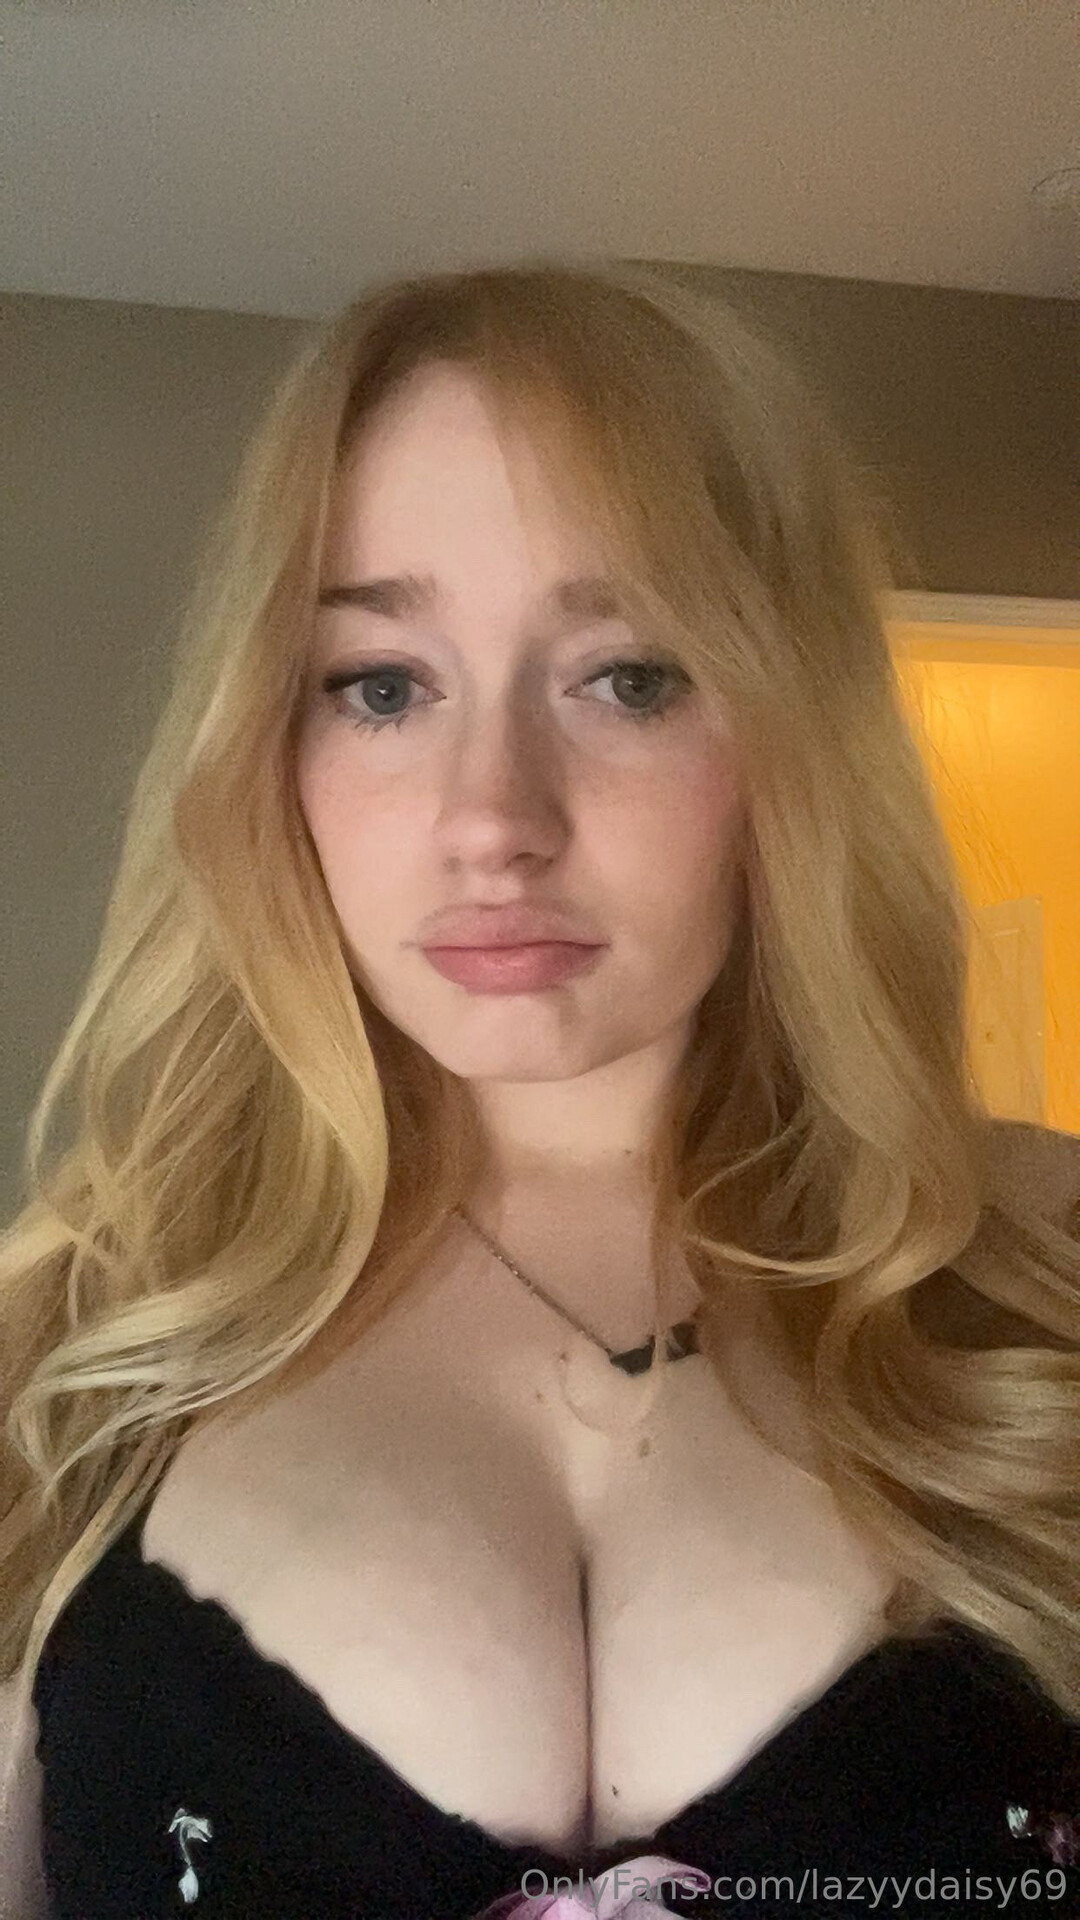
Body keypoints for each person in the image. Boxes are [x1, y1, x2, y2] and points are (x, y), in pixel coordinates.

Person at [0, 256, 1077, 1920]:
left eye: (627, 677)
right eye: (382, 686)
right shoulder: (64, 1351)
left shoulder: (1046, 1261)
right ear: (272, 750)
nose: (494, 817)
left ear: (789, 738)